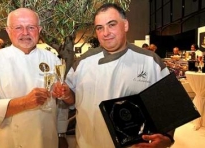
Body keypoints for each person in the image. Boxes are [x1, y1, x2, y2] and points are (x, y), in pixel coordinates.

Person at [53, 3, 174, 148]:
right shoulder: (83, 61)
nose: (105, 33)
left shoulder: (150, 61)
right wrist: (66, 94)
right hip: (88, 144)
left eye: (111, 25)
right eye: (100, 28)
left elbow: (170, 104)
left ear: (126, 25)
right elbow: (71, 99)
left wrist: (167, 138)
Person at [0, 8, 68, 148]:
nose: (25, 33)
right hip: (9, 141)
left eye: (31, 27)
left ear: (39, 30)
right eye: (18, 27)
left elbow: (60, 102)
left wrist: (61, 133)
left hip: (47, 139)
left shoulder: (52, 59)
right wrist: (24, 103)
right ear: (8, 30)